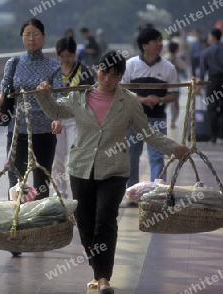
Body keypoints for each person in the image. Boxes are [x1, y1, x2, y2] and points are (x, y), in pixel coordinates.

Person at [35, 50, 190, 293]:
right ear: (97, 70)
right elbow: (55, 111)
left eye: (115, 76)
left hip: (114, 171)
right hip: (81, 168)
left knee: (105, 221)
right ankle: (98, 272)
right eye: (104, 73)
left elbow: (147, 132)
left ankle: (104, 277)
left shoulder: (128, 101)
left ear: (121, 77)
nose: (108, 79)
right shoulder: (79, 97)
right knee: (84, 224)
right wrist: (43, 96)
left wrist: (174, 148)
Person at [0, 18, 63, 201]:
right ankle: (17, 225)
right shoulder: (13, 64)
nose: (32, 39)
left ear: (43, 37)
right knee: (15, 182)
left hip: (45, 130)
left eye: (36, 34)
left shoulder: (54, 66)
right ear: (22, 37)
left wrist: (58, 118)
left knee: (42, 181)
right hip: (17, 130)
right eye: (27, 35)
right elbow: (4, 94)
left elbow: (60, 97)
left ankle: (40, 226)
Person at [121, 27, 179, 198]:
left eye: (160, 40)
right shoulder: (130, 65)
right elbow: (122, 92)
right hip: (133, 119)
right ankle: (132, 192)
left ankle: (157, 194)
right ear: (144, 45)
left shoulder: (169, 68)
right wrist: (142, 100)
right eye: (156, 41)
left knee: (157, 157)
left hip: (157, 119)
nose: (160, 44)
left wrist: (160, 100)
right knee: (132, 157)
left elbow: (174, 94)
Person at [52, 36, 95, 198]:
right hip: (56, 120)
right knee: (57, 159)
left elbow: (89, 97)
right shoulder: (53, 72)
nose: (66, 60)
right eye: (62, 56)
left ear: (75, 54)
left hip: (75, 119)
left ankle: (77, 193)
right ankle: (60, 194)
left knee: (74, 158)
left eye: (69, 56)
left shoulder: (84, 72)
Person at [199, 28, 223, 143]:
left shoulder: (206, 52)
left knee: (212, 107)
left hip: (212, 82)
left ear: (213, 37)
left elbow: (202, 71)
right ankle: (222, 133)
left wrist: (199, 84)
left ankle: (213, 134)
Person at [164, 42, 186, 129]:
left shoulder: (164, 58)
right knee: (174, 103)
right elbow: (183, 66)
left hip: (166, 84)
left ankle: (166, 120)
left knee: (165, 103)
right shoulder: (176, 59)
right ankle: (172, 121)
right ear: (176, 50)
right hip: (174, 84)